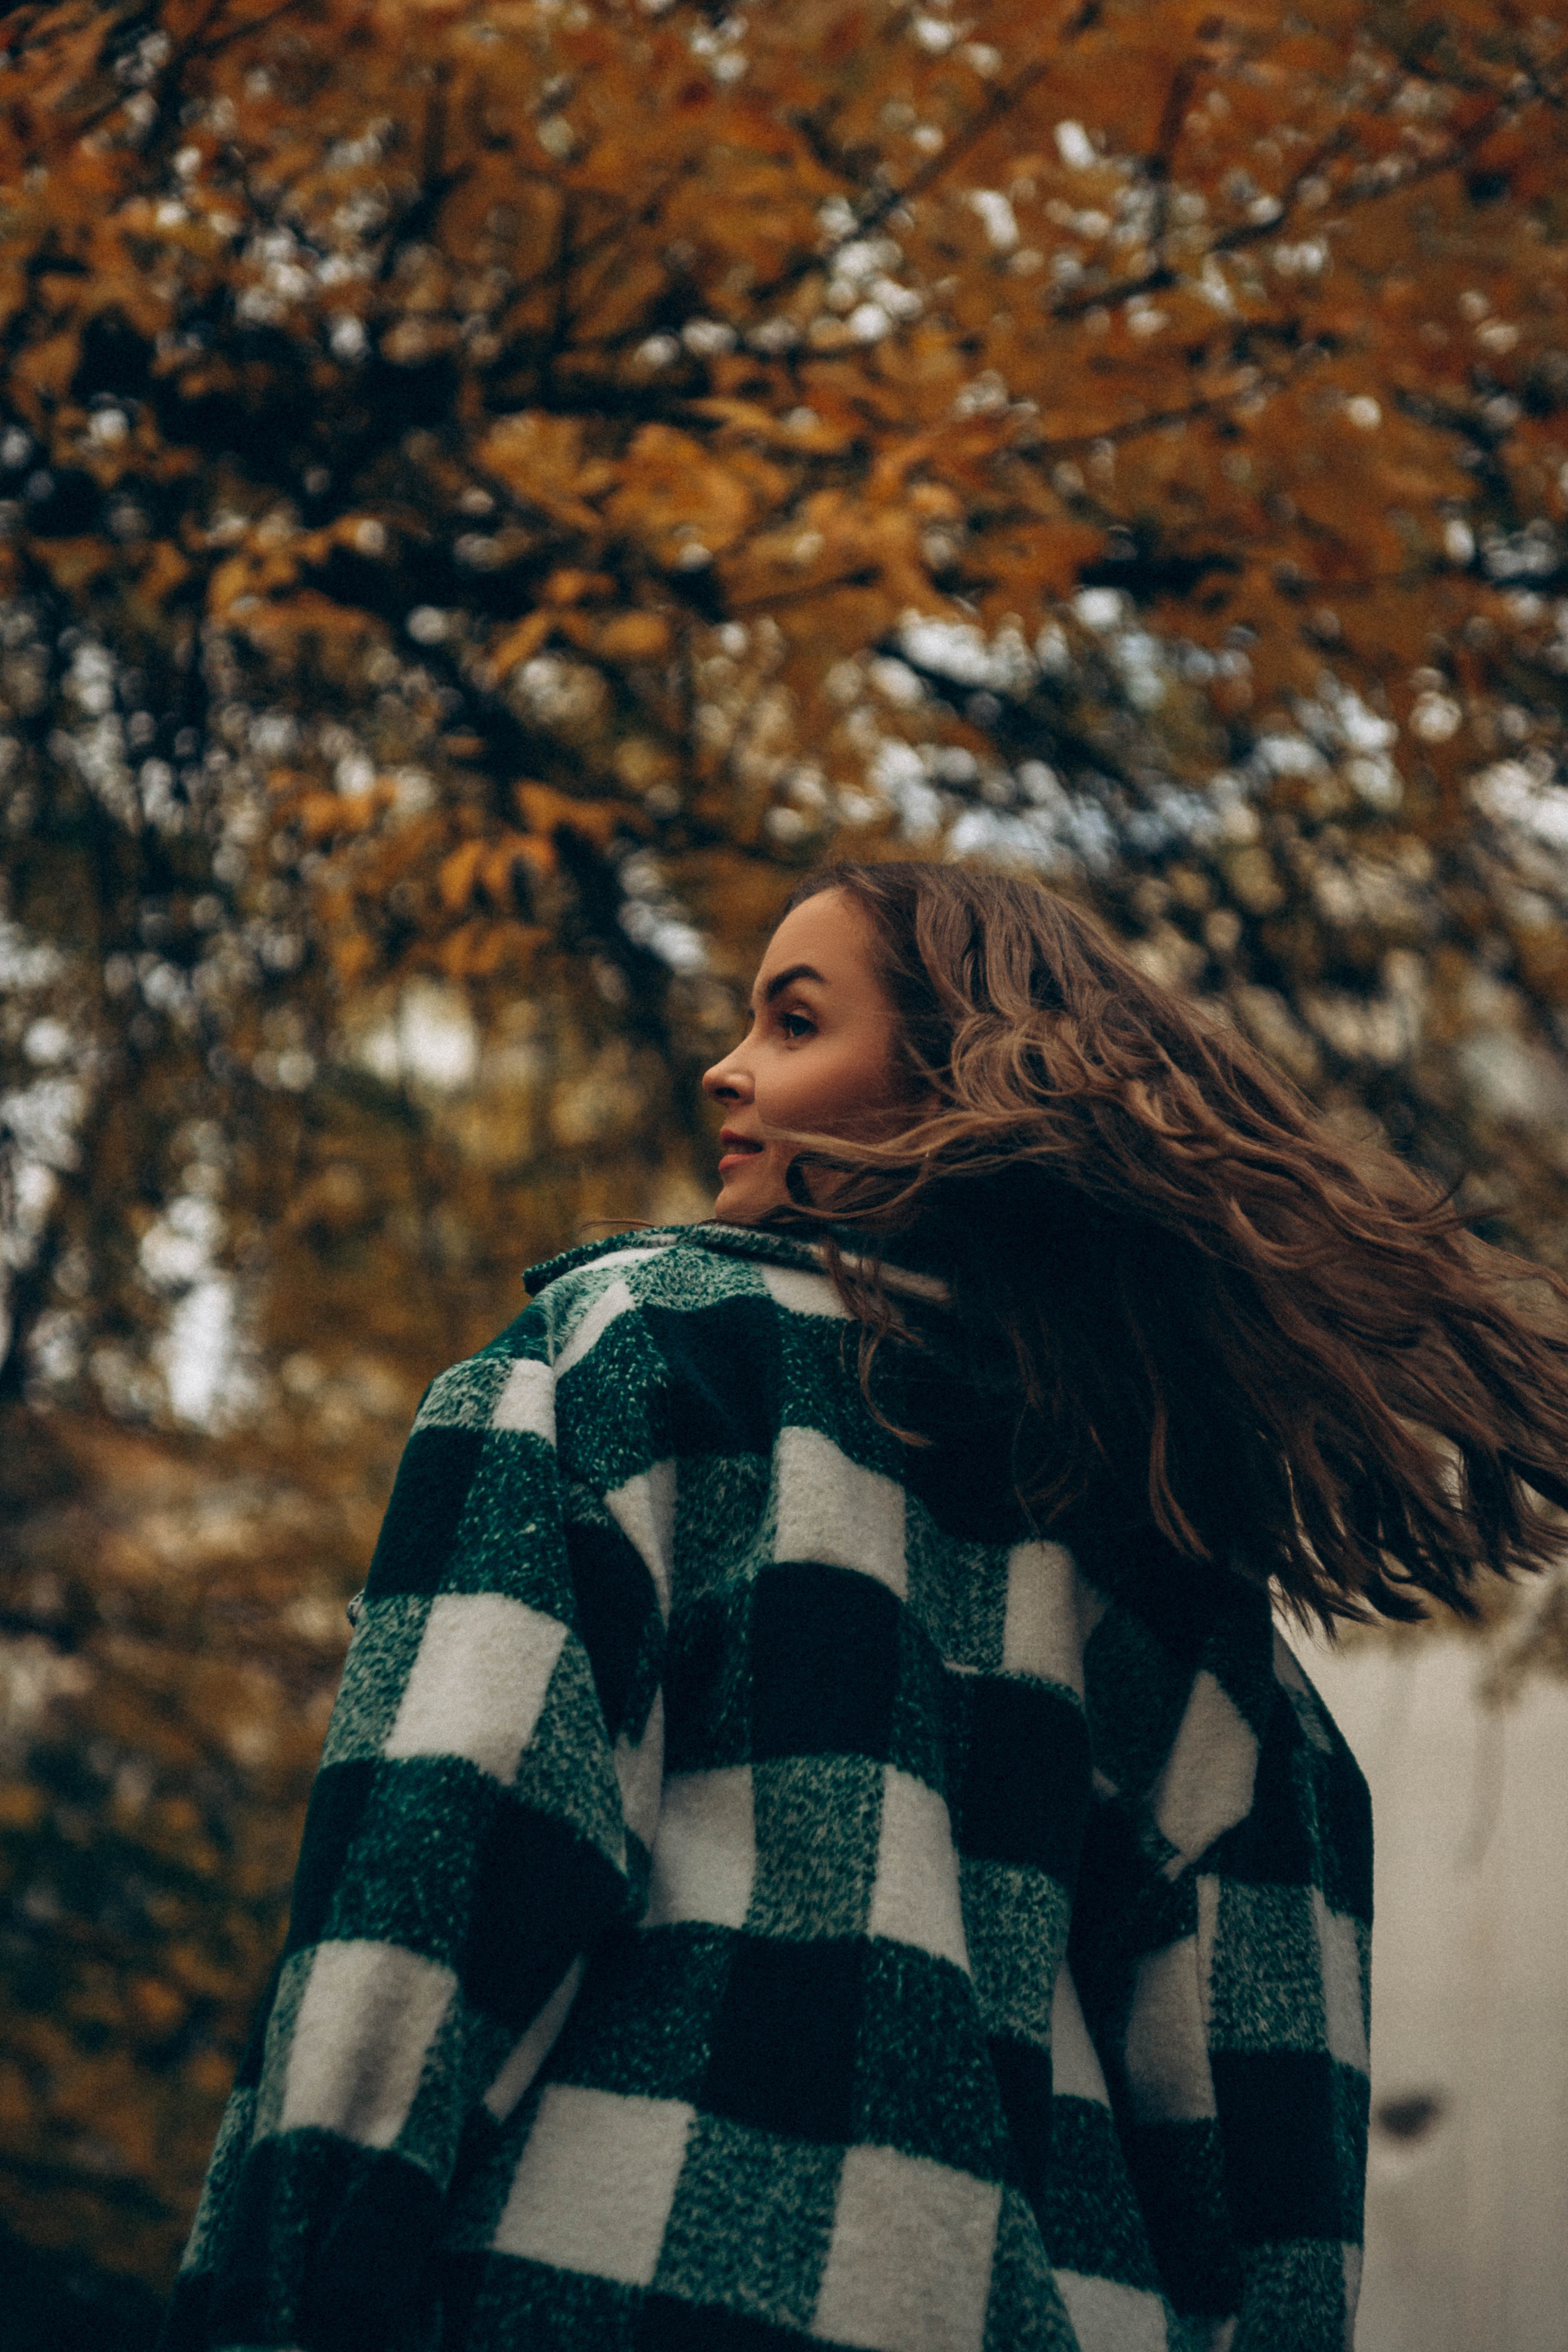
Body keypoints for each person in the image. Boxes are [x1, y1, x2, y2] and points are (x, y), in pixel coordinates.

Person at [162, 862, 1568, 2352]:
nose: (726, 1065)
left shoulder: (634, 1360)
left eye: (790, 1020)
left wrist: (282, 2292)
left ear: (951, 1079)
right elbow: (1271, 2157)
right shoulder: (1174, 1574)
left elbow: (432, 1877)